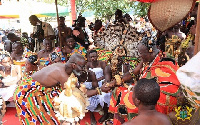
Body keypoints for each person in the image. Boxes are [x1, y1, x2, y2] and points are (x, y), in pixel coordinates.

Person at [102, 36, 180, 124]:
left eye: (141, 53)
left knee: (124, 97)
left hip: (158, 96)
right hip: (146, 90)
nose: (140, 56)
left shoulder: (165, 62)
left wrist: (137, 90)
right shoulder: (149, 59)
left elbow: (168, 86)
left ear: (150, 52)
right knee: (117, 90)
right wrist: (115, 82)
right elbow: (134, 72)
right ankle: (119, 120)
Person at [14, 53, 86, 124]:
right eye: (82, 67)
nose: (83, 69)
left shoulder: (63, 67)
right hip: (26, 94)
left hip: (39, 91)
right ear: (73, 65)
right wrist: (97, 91)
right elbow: (77, 93)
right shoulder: (62, 74)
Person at [86, 49, 111, 123]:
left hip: (101, 83)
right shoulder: (88, 64)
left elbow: (106, 75)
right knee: (86, 96)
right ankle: (91, 114)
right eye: (91, 57)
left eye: (94, 56)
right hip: (92, 83)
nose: (93, 58)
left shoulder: (102, 63)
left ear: (97, 56)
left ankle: (106, 113)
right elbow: (86, 76)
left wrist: (100, 80)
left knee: (104, 96)